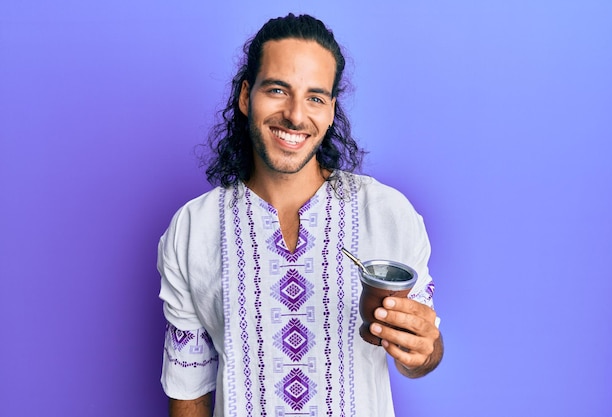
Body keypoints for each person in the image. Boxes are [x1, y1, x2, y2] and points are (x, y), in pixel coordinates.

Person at [158, 13, 443, 417]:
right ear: (245, 97)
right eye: (277, 89)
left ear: (330, 111)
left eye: (315, 97)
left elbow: (424, 354)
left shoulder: (388, 213)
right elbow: (188, 391)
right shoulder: (192, 230)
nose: (295, 115)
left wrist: (422, 348)